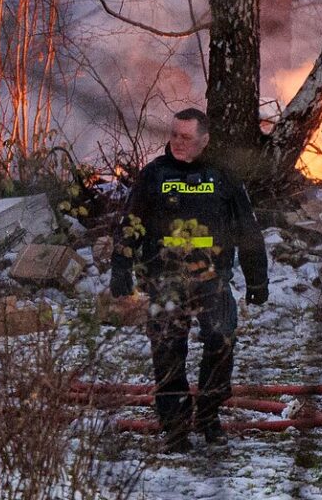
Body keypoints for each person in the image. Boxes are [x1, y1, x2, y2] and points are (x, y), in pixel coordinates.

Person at [109, 108, 269, 452]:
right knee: (168, 353)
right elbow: (130, 225)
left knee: (221, 338)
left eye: (187, 137)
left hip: (212, 279)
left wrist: (258, 280)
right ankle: (175, 428)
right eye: (174, 136)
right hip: (165, 280)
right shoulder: (153, 175)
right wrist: (120, 268)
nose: (178, 143)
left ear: (204, 140)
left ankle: (209, 415)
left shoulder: (223, 176)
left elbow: (248, 230)